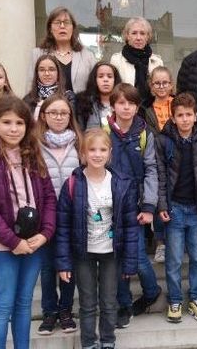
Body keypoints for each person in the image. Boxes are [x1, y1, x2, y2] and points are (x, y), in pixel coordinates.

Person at [0, 95, 57, 349]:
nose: (14, 128)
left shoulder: (32, 154)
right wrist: (12, 240)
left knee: (24, 304)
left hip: (33, 243)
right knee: (3, 304)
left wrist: (46, 233)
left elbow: (49, 197)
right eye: (7, 122)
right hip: (2, 245)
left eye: (20, 122)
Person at [55, 128, 139, 349]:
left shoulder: (121, 182)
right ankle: (89, 342)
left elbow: (130, 226)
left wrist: (130, 261)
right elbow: (63, 226)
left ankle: (108, 340)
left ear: (110, 153)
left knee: (109, 301)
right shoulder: (73, 184)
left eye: (102, 149)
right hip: (84, 253)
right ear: (83, 153)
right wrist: (63, 262)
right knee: (87, 301)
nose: (97, 154)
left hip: (111, 252)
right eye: (92, 149)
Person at [156, 93, 197, 323]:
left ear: (196, 115)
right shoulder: (164, 141)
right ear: (172, 117)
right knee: (173, 259)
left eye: (188, 115)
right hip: (174, 209)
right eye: (179, 115)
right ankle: (174, 299)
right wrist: (162, 204)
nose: (184, 119)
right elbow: (161, 175)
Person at [104, 84, 162, 328]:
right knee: (116, 257)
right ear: (113, 105)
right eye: (121, 103)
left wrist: (149, 206)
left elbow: (151, 170)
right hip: (110, 205)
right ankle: (124, 303)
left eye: (131, 103)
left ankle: (151, 290)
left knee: (136, 257)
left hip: (135, 205)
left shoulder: (145, 133)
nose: (126, 107)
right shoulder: (105, 132)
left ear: (137, 107)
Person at [35, 95, 81, 335]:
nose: (59, 117)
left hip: (72, 216)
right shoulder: (34, 145)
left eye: (64, 113)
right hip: (45, 217)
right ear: (44, 116)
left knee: (68, 266)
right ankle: (49, 312)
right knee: (47, 267)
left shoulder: (79, 144)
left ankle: (66, 310)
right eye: (53, 112)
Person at [139, 65, 176, 263]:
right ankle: (161, 242)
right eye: (157, 83)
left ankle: (175, 241)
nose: (161, 86)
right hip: (156, 157)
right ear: (151, 87)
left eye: (165, 82)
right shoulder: (146, 110)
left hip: (177, 158)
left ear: (171, 84)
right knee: (159, 200)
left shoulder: (178, 104)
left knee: (174, 200)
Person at [28, 6, 96, 94]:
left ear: (73, 28)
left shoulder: (87, 56)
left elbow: (95, 88)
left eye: (66, 22)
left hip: (80, 107)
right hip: (47, 106)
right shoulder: (37, 54)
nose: (62, 26)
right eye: (58, 22)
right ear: (50, 29)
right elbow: (30, 89)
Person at [110, 16, 164, 103]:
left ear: (147, 37)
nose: (138, 38)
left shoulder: (157, 62)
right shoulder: (116, 60)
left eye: (142, 33)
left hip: (151, 111)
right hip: (126, 109)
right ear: (127, 36)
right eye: (134, 33)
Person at [76, 61, 122, 130]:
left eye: (109, 76)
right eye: (101, 76)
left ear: (115, 80)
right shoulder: (84, 103)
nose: (105, 80)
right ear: (95, 80)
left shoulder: (123, 102)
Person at [23, 54, 68, 119]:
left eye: (51, 69)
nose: (47, 73)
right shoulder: (27, 99)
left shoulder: (68, 96)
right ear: (37, 74)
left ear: (58, 73)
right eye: (42, 70)